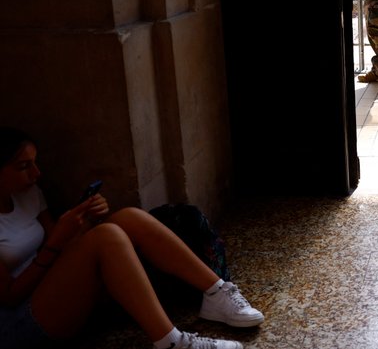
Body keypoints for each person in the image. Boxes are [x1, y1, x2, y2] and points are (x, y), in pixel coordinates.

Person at [0, 127, 264, 349]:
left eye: (35, 163)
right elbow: (9, 296)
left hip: (52, 289)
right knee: (107, 236)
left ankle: (216, 292)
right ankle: (172, 342)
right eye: (24, 166)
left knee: (127, 218)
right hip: (18, 322)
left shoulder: (29, 193)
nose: (36, 173)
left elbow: (61, 251)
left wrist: (84, 220)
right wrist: (57, 241)